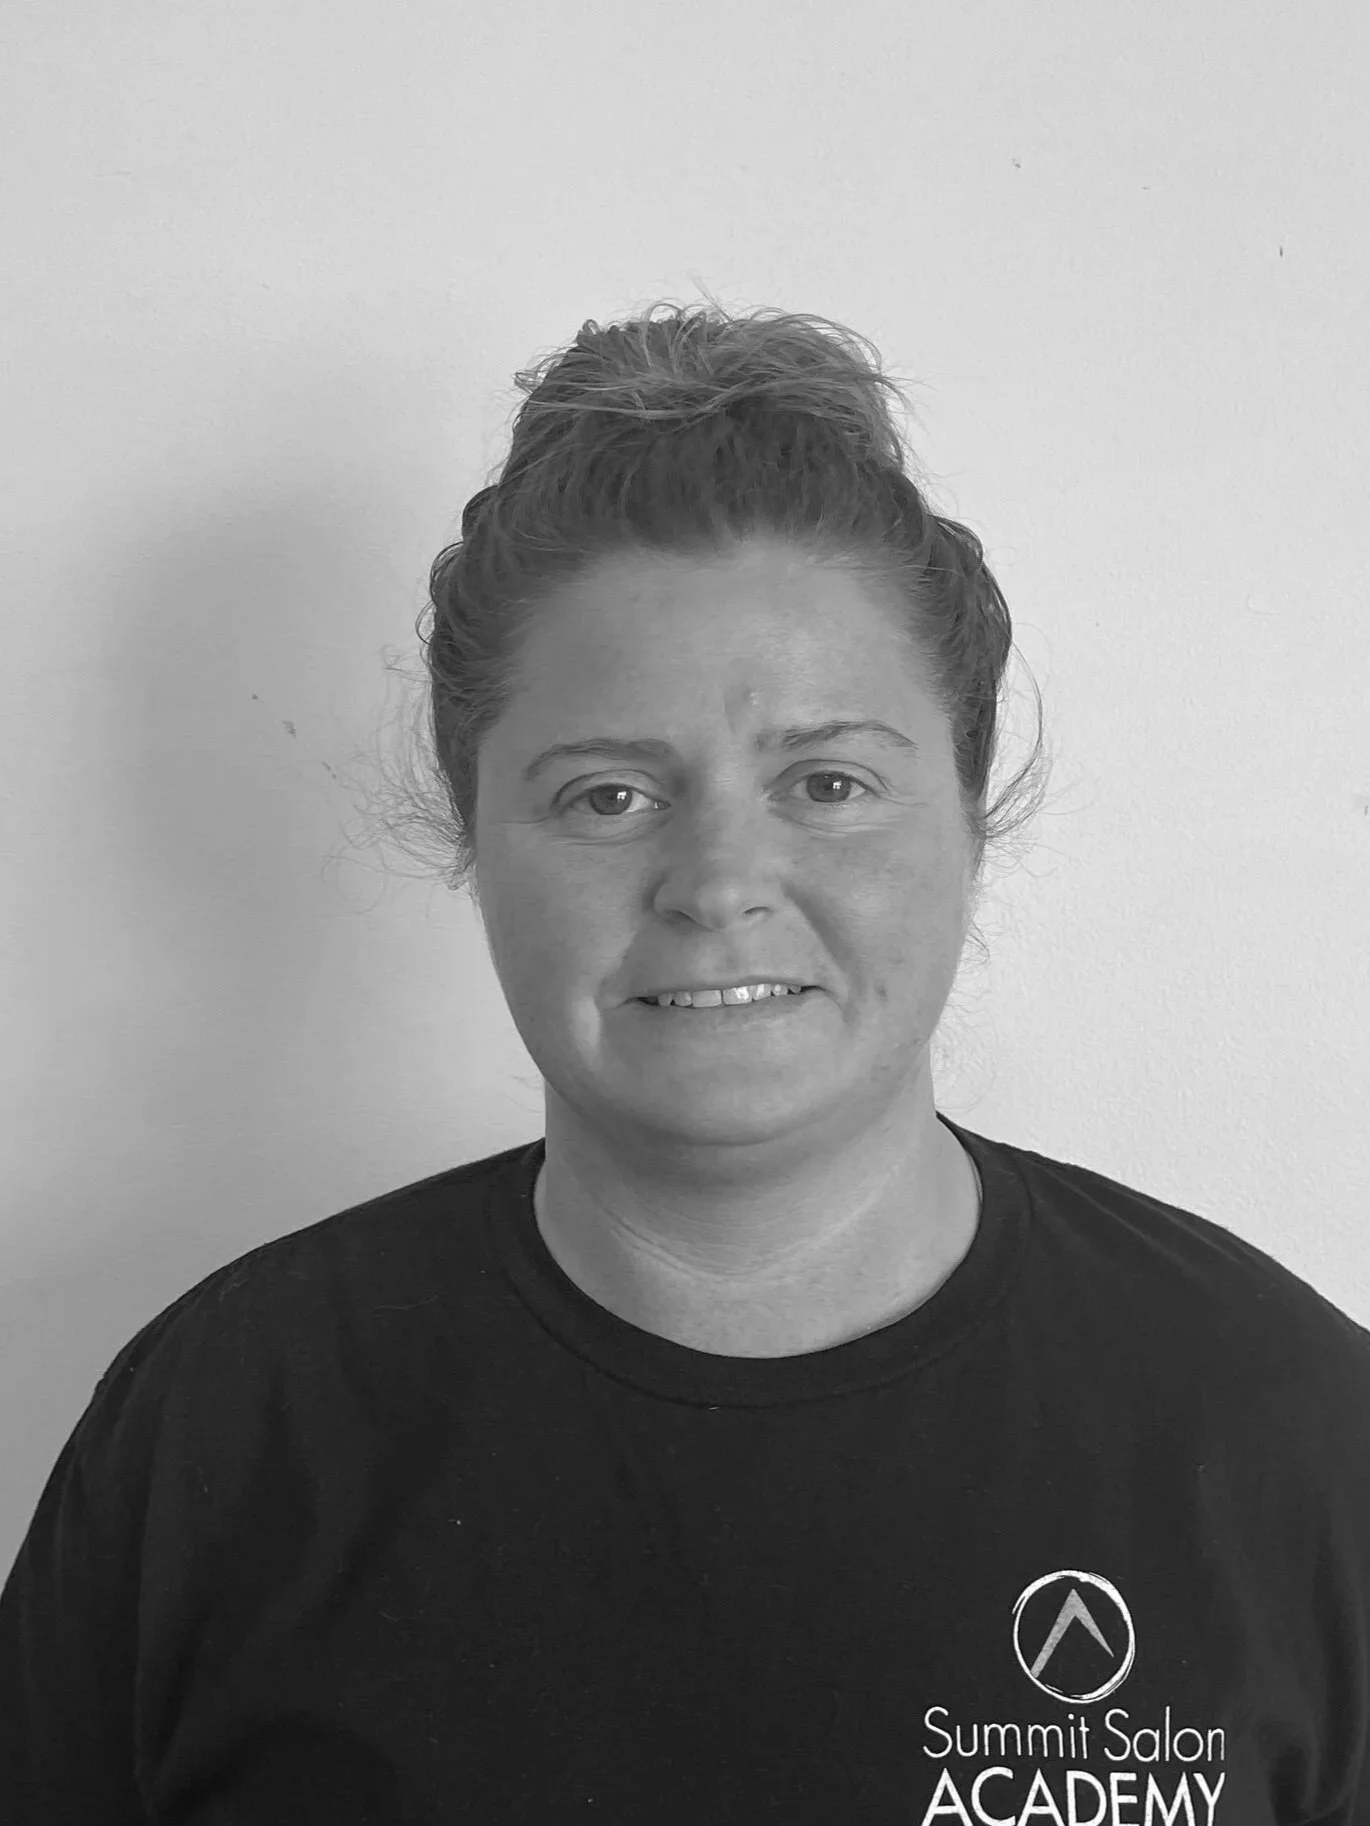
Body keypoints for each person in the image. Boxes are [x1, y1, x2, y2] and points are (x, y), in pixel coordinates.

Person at [2, 295, 1368, 1824]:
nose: (718, 881)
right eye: (605, 796)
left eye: (828, 781)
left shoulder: (1285, 1433)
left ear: (972, 816)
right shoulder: (221, 1433)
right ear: (471, 833)